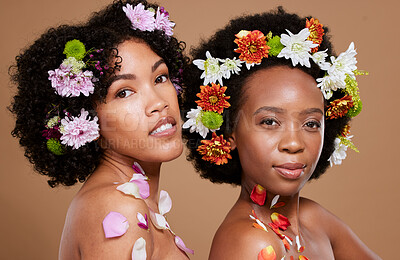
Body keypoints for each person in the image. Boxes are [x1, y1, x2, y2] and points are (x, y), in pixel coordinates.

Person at [181, 7, 380, 260]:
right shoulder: (250, 242)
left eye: (311, 124)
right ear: (229, 132)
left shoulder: (315, 220)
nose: (294, 143)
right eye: (270, 121)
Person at [9, 0, 193, 259]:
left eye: (160, 78)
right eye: (124, 92)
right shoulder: (117, 206)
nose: (158, 103)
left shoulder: (126, 200)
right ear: (85, 117)